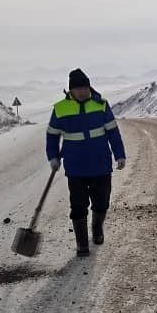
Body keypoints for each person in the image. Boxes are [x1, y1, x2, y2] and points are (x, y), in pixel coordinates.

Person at [46, 68, 126, 257]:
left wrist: (119, 154)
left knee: (102, 203)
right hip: (76, 167)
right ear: (71, 90)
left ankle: (97, 229)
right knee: (78, 205)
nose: (83, 92)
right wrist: (53, 157)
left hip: (101, 164)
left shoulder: (101, 105)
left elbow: (113, 132)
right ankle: (82, 243)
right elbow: (52, 136)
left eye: (85, 88)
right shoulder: (60, 109)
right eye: (79, 89)